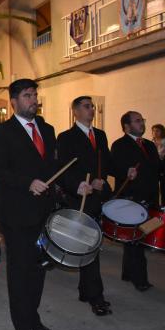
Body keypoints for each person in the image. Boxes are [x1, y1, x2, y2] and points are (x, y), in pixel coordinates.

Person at [0, 78, 58, 330]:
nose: (33, 100)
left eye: (35, 95)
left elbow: (52, 166)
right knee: (19, 272)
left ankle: (33, 317)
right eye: (28, 96)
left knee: (39, 268)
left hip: (44, 212)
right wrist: (27, 182)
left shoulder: (47, 129)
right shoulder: (2, 133)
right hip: (16, 215)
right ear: (14, 101)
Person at [56, 96, 113, 316]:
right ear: (76, 112)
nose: (91, 110)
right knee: (91, 246)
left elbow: (104, 162)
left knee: (90, 245)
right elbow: (62, 168)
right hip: (78, 197)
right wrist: (79, 183)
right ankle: (96, 297)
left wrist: (102, 179)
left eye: (92, 106)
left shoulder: (100, 135)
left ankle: (84, 290)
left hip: (96, 197)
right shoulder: (66, 137)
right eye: (87, 106)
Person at [111, 111, 160, 292]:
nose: (142, 123)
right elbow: (116, 167)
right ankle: (140, 279)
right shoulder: (119, 145)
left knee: (136, 238)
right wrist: (126, 171)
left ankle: (128, 272)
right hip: (131, 199)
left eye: (142, 120)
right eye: (137, 121)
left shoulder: (149, 145)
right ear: (127, 126)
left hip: (150, 197)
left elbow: (156, 169)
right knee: (136, 240)